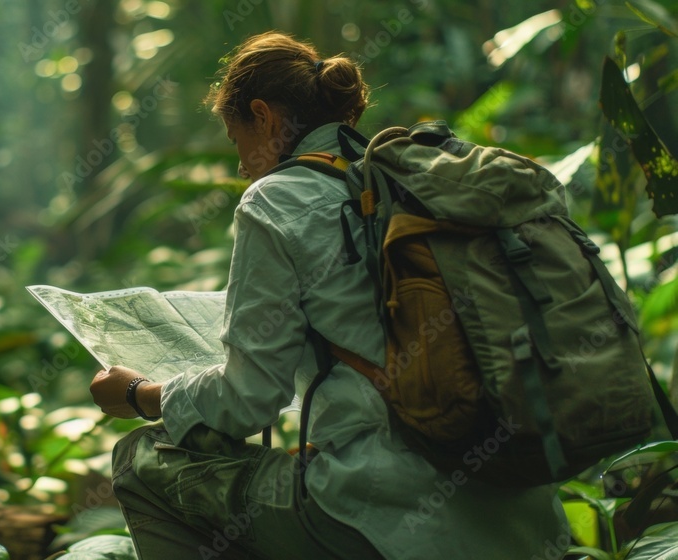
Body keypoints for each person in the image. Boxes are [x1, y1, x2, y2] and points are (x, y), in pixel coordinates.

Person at [89, 31, 568, 559]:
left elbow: (248, 400)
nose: (242, 163)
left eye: (236, 139)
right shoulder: (406, 182)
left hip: (387, 514)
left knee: (141, 458)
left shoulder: (275, 200)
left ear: (264, 118)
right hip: (529, 516)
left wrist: (140, 394)